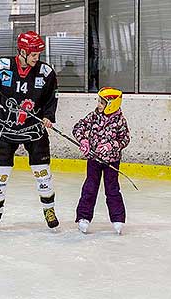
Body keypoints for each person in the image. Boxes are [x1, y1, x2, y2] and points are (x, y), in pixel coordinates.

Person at [0, 31, 60, 230]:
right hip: (5, 129)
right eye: (34, 55)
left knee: (43, 173)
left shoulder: (45, 72)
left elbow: (51, 98)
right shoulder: (1, 66)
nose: (37, 59)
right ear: (22, 52)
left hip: (34, 130)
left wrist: (48, 116)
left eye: (38, 55)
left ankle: (49, 209)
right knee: (0, 174)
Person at [72, 87, 130, 234]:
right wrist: (83, 140)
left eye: (102, 102)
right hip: (93, 159)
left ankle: (118, 218)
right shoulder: (94, 116)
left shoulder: (120, 121)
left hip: (111, 161)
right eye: (98, 101)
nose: (98, 104)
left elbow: (125, 139)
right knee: (90, 188)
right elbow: (78, 127)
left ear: (111, 104)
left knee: (112, 190)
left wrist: (113, 145)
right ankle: (83, 217)